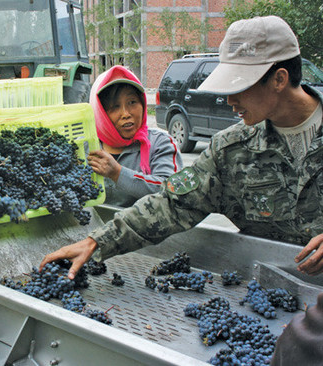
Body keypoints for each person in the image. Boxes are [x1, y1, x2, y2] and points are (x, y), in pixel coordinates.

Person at [40, 15, 323, 278]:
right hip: (275, 295)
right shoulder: (230, 150)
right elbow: (170, 204)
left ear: (279, 79)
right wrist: (96, 242)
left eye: (239, 86)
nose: (229, 100)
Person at [88, 65, 182, 207]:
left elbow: (171, 190)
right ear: (100, 112)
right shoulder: (87, 149)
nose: (126, 114)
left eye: (132, 102)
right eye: (115, 106)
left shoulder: (161, 143)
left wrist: (118, 174)